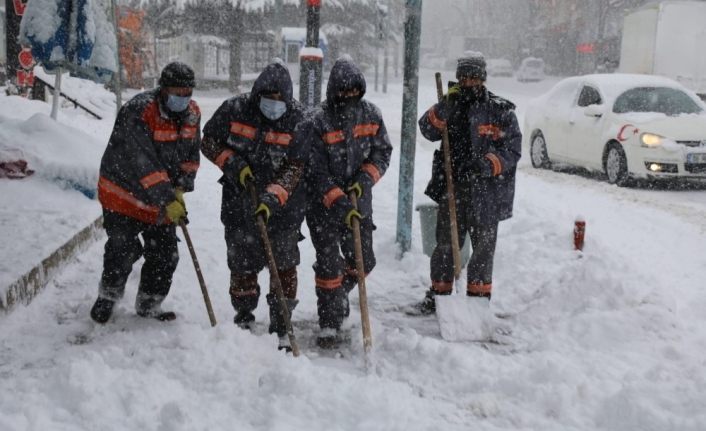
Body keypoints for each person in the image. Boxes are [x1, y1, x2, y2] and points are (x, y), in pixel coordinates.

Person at [200, 60, 307, 351]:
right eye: (268, 98)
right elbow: (209, 141)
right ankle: (243, 315)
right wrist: (234, 164)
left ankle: (281, 323)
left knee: (283, 264)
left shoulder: (299, 120)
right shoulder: (235, 110)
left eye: (279, 99)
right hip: (239, 201)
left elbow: (296, 166)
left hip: (284, 208)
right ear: (257, 94)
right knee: (242, 263)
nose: (273, 104)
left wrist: (272, 198)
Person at [90, 62, 201, 323]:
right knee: (123, 248)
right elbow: (143, 162)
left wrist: (182, 187)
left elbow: (190, 154)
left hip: (160, 196)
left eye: (187, 93)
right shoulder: (139, 111)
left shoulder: (192, 113)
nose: (182, 99)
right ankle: (108, 297)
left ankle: (150, 303)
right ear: (163, 89)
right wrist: (167, 197)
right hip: (123, 192)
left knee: (165, 253)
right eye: (177, 92)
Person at [416, 53, 521, 314]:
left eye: (474, 77)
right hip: (453, 188)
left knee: (483, 248)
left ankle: (477, 301)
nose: (468, 82)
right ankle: (439, 295)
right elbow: (427, 130)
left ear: (483, 78)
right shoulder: (450, 105)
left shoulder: (499, 110)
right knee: (445, 246)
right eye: (464, 77)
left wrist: (486, 164)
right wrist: (444, 106)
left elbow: (512, 149)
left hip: (486, 191)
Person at [303, 56, 393, 348]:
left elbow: (382, 153)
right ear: (334, 91)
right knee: (329, 265)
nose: (350, 97)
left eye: (355, 91)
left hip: (359, 202)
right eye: (344, 92)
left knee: (364, 260)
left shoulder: (371, 115)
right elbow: (314, 170)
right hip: (324, 207)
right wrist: (338, 200)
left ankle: (339, 295)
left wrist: (365, 179)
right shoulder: (318, 120)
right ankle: (329, 323)